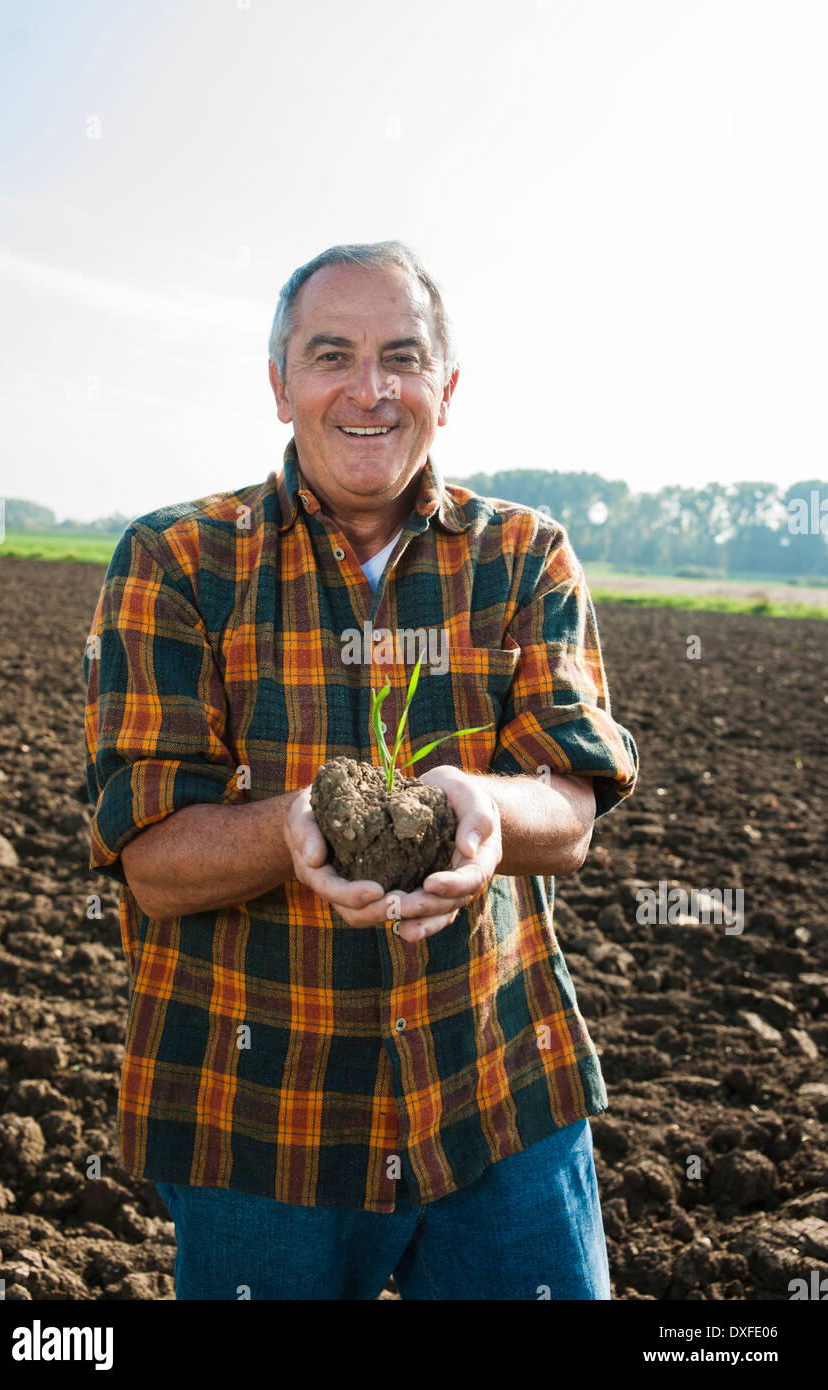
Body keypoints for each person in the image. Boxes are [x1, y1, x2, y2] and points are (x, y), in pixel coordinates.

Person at [83, 240, 639, 1300]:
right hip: (258, 1118)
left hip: (494, 1098)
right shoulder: (177, 563)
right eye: (330, 354)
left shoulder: (523, 555)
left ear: (447, 386)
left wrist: (480, 807)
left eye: (402, 356)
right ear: (279, 384)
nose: (369, 389)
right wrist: (297, 828)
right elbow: (151, 858)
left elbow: (567, 812)